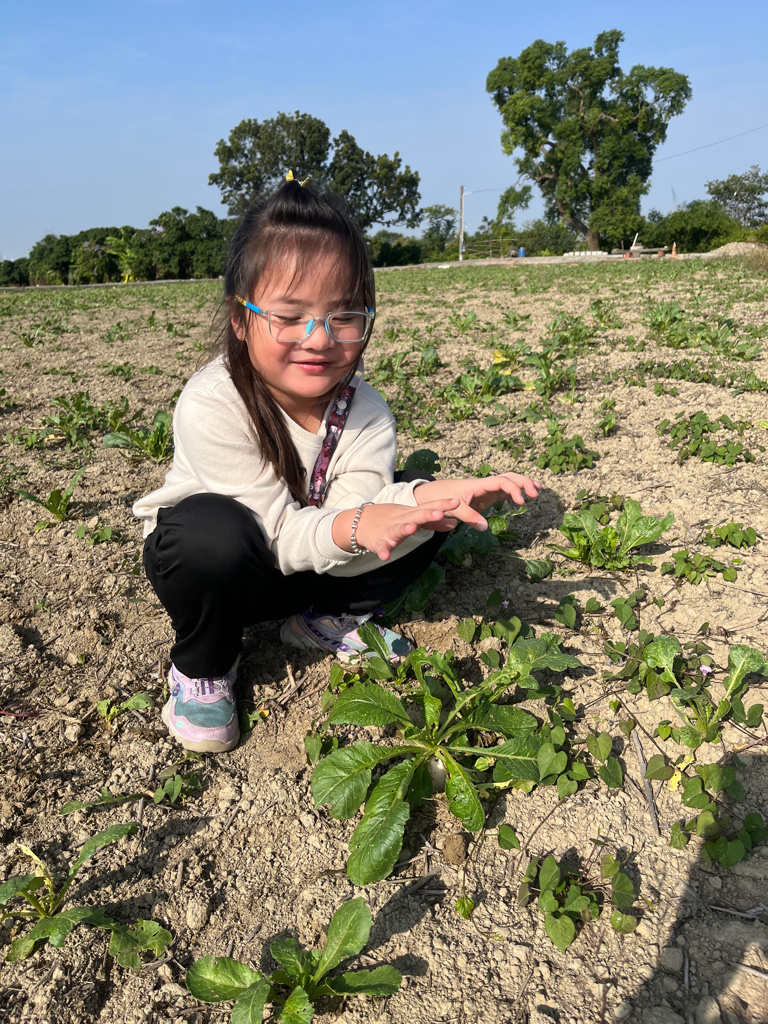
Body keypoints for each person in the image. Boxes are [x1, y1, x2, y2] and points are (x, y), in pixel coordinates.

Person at [134, 174, 541, 754]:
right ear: (240, 318)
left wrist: (428, 499)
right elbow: (281, 535)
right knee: (209, 534)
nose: (319, 338)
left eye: (343, 315)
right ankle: (205, 663)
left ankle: (323, 618)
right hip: (227, 573)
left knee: (424, 515)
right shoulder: (214, 401)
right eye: (289, 315)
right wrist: (362, 522)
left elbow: (357, 518)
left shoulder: (366, 412)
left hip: (314, 562)